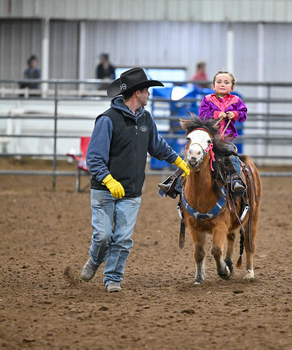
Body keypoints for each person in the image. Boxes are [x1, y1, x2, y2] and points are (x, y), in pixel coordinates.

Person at [79, 67, 190, 293]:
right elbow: (94, 158)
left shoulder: (146, 120)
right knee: (102, 236)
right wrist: (109, 180)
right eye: (147, 91)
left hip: (131, 191)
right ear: (137, 93)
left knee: (122, 238)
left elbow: (157, 146)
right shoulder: (107, 120)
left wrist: (179, 162)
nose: (149, 94)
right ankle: (94, 260)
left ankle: (113, 279)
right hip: (104, 191)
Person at [159, 70, 247, 195]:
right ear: (213, 85)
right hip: (208, 138)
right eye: (219, 82)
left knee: (232, 157)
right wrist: (216, 114)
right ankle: (175, 182)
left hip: (225, 138)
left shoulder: (236, 100)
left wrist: (235, 114)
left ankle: (236, 180)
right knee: (193, 155)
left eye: (226, 82)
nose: (222, 84)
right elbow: (203, 115)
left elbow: (243, 115)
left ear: (232, 87)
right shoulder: (207, 99)